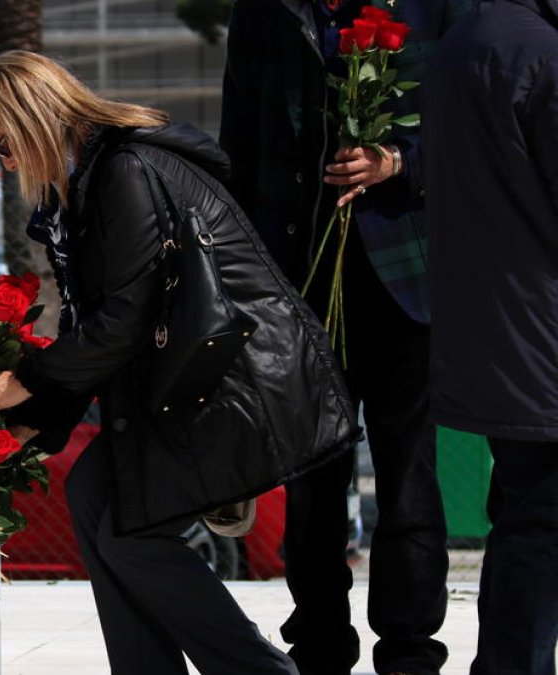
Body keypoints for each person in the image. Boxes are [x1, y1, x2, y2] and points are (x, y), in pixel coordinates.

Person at [0, 50, 356, 674]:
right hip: (190, 380)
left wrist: (28, 383)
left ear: (36, 119)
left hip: (233, 380)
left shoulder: (125, 170)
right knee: (94, 495)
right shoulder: (87, 181)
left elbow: (126, 317)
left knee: (131, 531)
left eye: (3, 144)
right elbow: (98, 319)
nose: (4, 163)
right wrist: (44, 411)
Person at [219, 2, 472, 672]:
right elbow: (240, 142)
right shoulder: (264, 10)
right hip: (301, 273)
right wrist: (245, 282)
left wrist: (399, 163)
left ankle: (411, 650)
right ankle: (320, 644)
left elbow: (472, 115)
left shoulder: (434, 7)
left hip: (405, 276)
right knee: (314, 478)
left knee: (408, 471)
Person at [422, 1, 558, 672]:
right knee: (540, 523)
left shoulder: (462, 42)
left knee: (524, 511)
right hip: (542, 329)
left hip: (500, 326)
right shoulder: (541, 53)